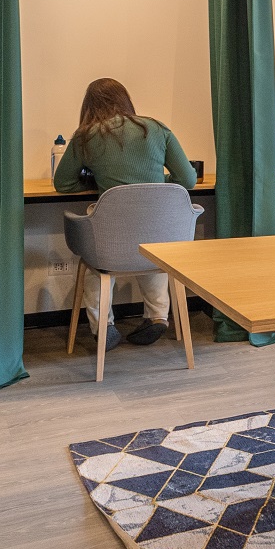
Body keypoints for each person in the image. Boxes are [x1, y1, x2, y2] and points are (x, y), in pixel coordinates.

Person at [54, 78, 196, 347]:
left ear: (89, 106)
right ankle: (157, 316)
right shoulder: (156, 128)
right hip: (157, 233)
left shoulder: (85, 136)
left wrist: (98, 182)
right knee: (153, 248)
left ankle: (103, 326)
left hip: (113, 238)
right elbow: (188, 180)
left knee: (97, 258)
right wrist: (156, 182)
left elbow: (63, 184)